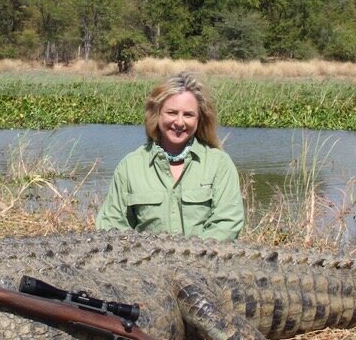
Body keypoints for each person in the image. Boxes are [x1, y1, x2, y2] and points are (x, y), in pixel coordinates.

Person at [96, 72, 245, 241]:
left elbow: (227, 223)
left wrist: (190, 256)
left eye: (188, 115)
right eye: (172, 113)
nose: (180, 122)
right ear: (157, 114)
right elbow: (110, 224)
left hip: (205, 263)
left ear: (199, 119)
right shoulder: (130, 166)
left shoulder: (219, 164)